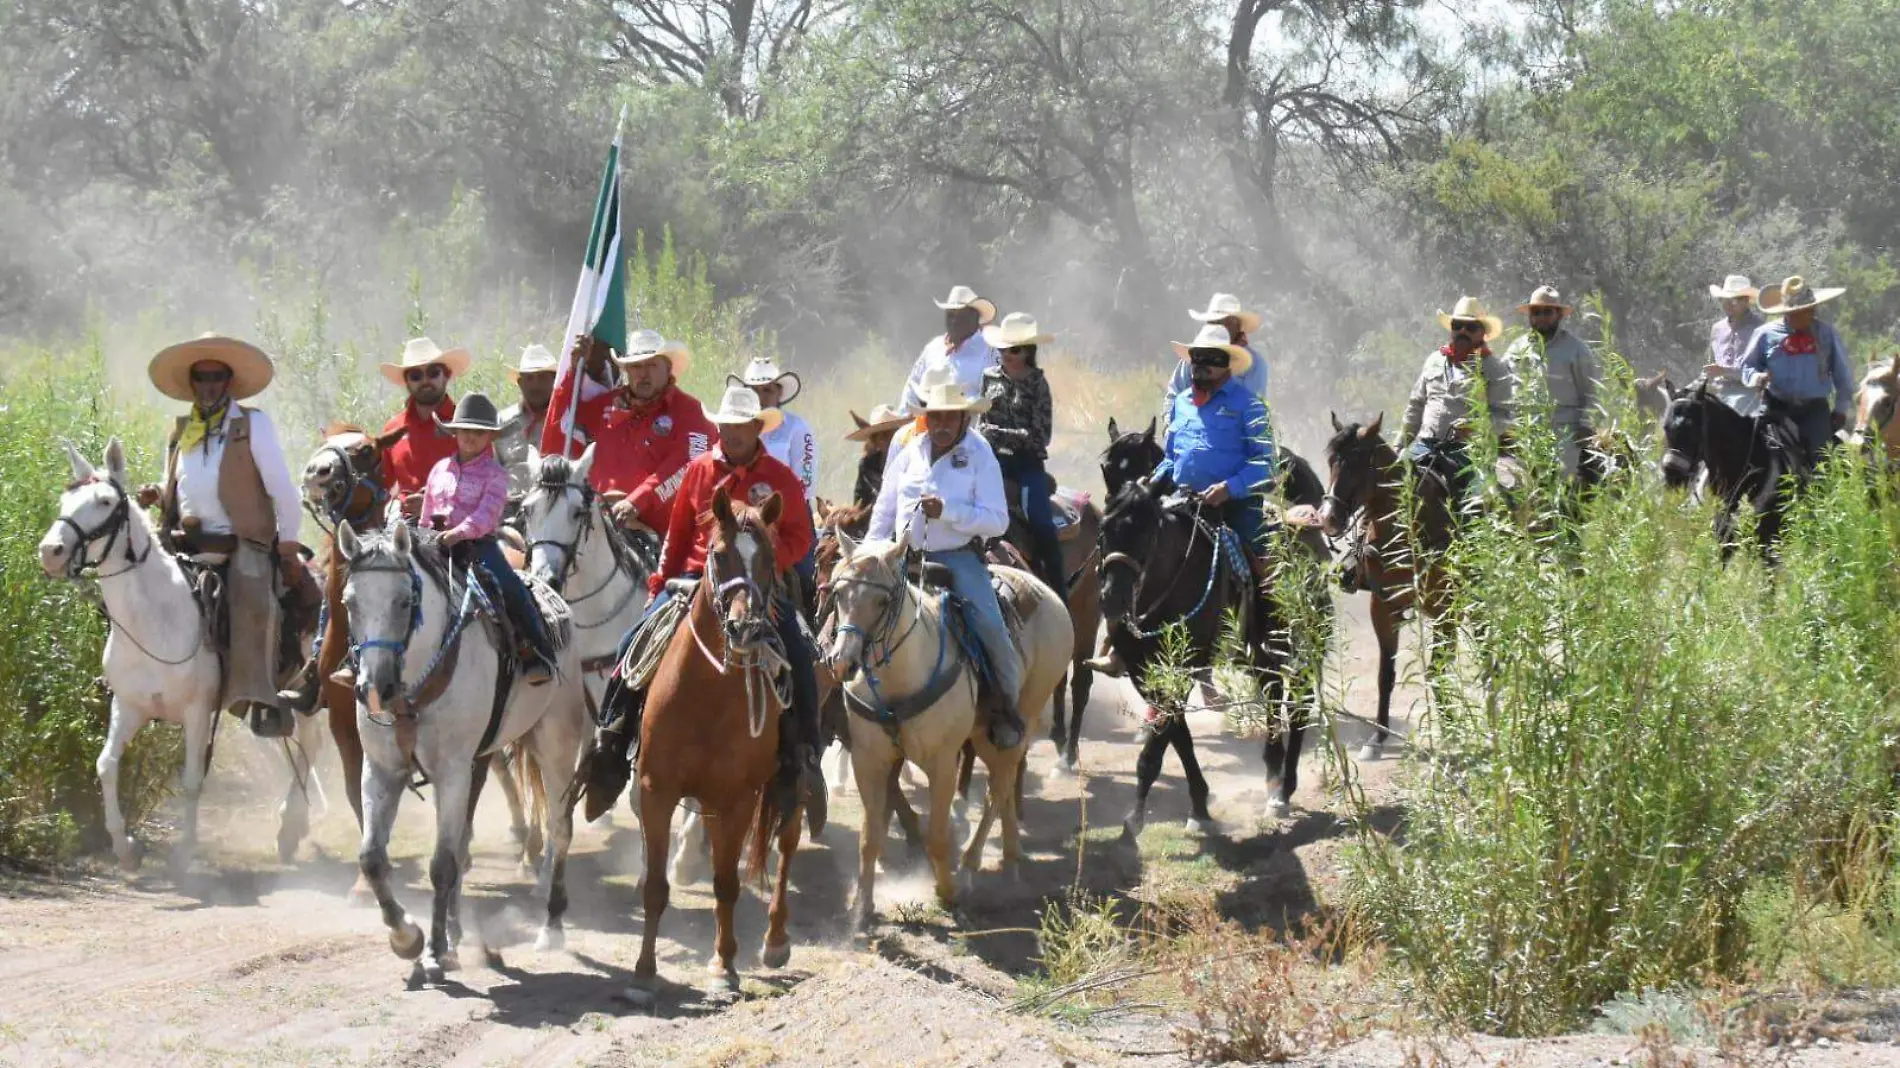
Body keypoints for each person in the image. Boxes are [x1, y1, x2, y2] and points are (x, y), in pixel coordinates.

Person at [646, 384, 822, 817]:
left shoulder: (781, 478)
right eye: (726, 425)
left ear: (757, 426)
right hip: (695, 577)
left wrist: (763, 562)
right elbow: (678, 533)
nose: (733, 432)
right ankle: (612, 739)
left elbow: (801, 538)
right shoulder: (699, 470)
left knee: (799, 650)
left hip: (760, 586)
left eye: (742, 425)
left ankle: (804, 754)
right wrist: (660, 581)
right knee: (636, 642)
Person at [141, 334, 319, 738]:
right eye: (200, 377)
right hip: (184, 540)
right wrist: (157, 493)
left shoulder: (252, 424)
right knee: (134, 587)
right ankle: (133, 682)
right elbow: (180, 482)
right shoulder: (183, 429)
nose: (207, 385)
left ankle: (262, 697)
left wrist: (288, 544)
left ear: (227, 381)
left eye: (215, 376)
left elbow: (283, 490)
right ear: (192, 383)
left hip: (242, 542)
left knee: (254, 601)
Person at [869, 367, 1025, 750]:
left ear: (964, 417)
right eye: (934, 415)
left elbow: (998, 521)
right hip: (904, 558)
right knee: (855, 615)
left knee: (990, 624)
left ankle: (1006, 706)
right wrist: (871, 551)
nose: (940, 423)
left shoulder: (979, 454)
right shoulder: (908, 453)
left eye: (949, 415)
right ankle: (848, 706)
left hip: (958, 559)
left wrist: (950, 511)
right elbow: (885, 510)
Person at [422, 394, 557, 683]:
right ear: (454, 432)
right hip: (434, 545)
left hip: (477, 547)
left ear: (490, 437)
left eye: (479, 432)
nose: (470, 437)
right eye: (465, 430)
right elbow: (427, 511)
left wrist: (456, 534)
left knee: (511, 587)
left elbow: (486, 516)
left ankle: (537, 650)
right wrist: (423, 536)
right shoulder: (438, 470)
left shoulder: (495, 474)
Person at [1150, 324, 1277, 569]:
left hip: (1235, 508)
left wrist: (1228, 488)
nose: (1200, 364)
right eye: (1196, 356)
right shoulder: (1182, 402)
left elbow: (1266, 464)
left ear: (1228, 362)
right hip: (1183, 502)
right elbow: (1171, 459)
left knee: (1257, 569)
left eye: (1211, 357)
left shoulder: (1250, 405)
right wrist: (1152, 482)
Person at [577, 332, 715, 536]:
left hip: (662, 533)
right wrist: (574, 367)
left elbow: (688, 466)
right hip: (596, 525)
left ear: (668, 369)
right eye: (636, 366)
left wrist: (636, 502)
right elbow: (564, 420)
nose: (643, 374)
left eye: (652, 365)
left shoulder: (693, 413)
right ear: (626, 371)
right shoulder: (605, 405)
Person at [976, 312, 1066, 599]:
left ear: (1028, 351)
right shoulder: (989, 378)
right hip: (992, 463)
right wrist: (989, 434)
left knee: (1040, 522)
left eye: (1013, 350)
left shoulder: (1038, 384)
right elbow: (981, 423)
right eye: (1002, 349)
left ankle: (1059, 593)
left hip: (1027, 464)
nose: (1006, 355)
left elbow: (1041, 436)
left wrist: (998, 433)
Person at [1397, 296, 1512, 503]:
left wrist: (1476, 427)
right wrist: (1399, 445)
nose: (1463, 332)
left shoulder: (1495, 368)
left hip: (1469, 454)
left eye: (1471, 327)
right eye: (1457, 325)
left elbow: (1504, 417)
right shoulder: (1434, 360)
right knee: (1388, 482)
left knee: (1477, 503)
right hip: (1425, 446)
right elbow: (1416, 406)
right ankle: (1359, 532)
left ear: (1482, 332)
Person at [733, 355, 821, 610]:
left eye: (767, 390)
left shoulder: (797, 428)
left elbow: (805, 481)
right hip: (742, 519)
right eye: (754, 390)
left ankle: (814, 631)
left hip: (789, 518)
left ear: (779, 392)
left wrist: (772, 514)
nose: (761, 396)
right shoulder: (735, 428)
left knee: (807, 574)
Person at [1739, 275, 1855, 465]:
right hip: (1776, 408)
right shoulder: (1765, 334)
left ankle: (1821, 492)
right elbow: (1747, 366)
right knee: (1752, 453)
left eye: (1808, 310)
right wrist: (1757, 377)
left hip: (1814, 410)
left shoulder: (1826, 333)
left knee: (1821, 462)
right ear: (1786, 312)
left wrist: (1841, 409)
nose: (1806, 315)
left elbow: (1843, 375)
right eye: (1798, 312)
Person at [1500, 285, 1598, 476]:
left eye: (1547, 312)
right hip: (1521, 430)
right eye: (1536, 312)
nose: (1541, 317)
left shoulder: (1576, 350)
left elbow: (1592, 392)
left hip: (1564, 432)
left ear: (1559, 315)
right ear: (1530, 316)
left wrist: (1586, 426)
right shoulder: (1515, 348)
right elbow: (1500, 385)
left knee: (1561, 481)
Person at [378, 338, 470, 504]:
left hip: (457, 525)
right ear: (407, 382)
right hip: (403, 523)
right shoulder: (393, 429)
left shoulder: (468, 425)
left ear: (446, 376)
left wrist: (435, 503)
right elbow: (382, 488)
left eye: (433, 373)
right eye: (416, 376)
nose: (425, 381)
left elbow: (485, 483)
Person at [898, 285, 999, 414]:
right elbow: (912, 386)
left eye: (961, 315)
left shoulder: (990, 349)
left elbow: (995, 394)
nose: (954, 321)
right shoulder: (933, 347)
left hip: (973, 424)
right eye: (951, 315)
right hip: (931, 423)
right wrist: (904, 418)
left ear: (975, 317)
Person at [1163, 292, 1268, 414]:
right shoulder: (1194, 357)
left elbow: (1252, 407)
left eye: (1224, 322)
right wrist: (1169, 427)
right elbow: (1173, 396)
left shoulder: (1255, 364)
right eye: (1214, 322)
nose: (1219, 327)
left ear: (1237, 325)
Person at [497, 343, 558, 496]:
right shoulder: (502, 422)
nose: (535, 385)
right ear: (520, 382)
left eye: (542, 377)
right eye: (529, 378)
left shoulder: (565, 421)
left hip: (553, 510)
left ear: (554, 380)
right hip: (510, 511)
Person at [1701, 274, 1766, 416]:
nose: (1728, 304)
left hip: (1747, 393)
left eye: (1735, 300)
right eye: (1725, 299)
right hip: (1718, 390)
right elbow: (1711, 364)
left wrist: (1725, 371)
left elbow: (1760, 371)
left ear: (1747, 301)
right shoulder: (1717, 329)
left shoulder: (1760, 329)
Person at [845, 404, 911, 508]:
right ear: (875, 441)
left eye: (890, 435)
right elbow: (859, 502)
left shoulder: (912, 461)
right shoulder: (867, 466)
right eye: (880, 437)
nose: (887, 441)